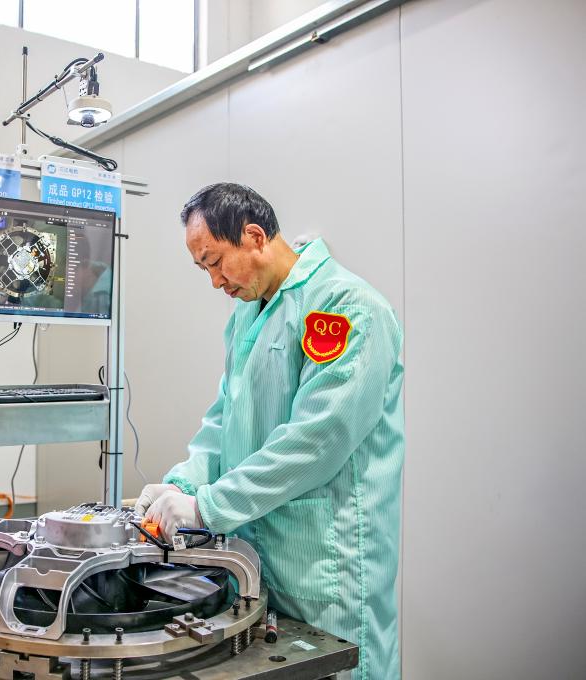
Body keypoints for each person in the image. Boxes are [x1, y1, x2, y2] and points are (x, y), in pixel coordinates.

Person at [136, 183, 404, 680]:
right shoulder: (248, 313)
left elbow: (317, 440)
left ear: (255, 236)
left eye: (216, 262)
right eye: (203, 269)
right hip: (256, 560)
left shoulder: (345, 307)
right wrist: (182, 484)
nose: (215, 281)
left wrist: (206, 507)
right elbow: (224, 417)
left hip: (325, 564)